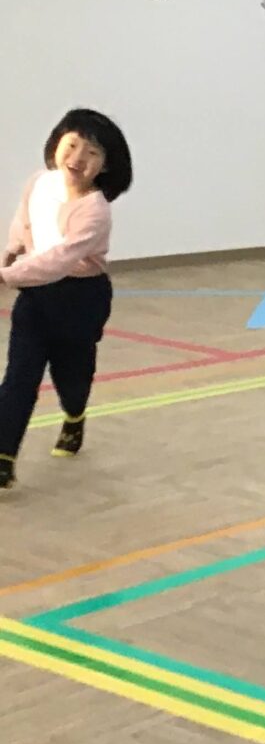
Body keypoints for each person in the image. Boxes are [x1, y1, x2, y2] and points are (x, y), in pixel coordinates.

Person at [1, 109, 133, 493]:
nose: (77, 158)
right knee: (19, 377)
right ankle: (3, 458)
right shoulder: (39, 183)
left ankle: (74, 417)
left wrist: (6, 276)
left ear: (106, 165)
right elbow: (23, 221)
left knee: (71, 377)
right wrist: (10, 252)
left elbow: (59, 260)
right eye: (72, 145)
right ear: (57, 143)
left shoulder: (95, 210)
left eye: (91, 152)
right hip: (37, 295)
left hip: (80, 299)